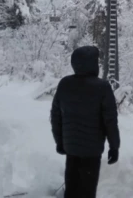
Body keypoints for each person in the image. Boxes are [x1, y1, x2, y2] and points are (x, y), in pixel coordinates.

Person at [50, 46, 120, 198]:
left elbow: (56, 117)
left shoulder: (65, 84)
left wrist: (60, 142)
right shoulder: (102, 87)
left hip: (71, 148)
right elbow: (110, 121)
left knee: (72, 189)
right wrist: (114, 147)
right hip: (92, 151)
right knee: (87, 192)